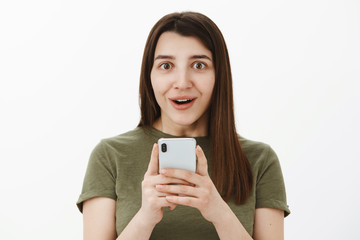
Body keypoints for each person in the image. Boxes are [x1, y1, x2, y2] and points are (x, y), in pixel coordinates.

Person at [76, 11, 290, 240]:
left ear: (219, 75)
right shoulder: (110, 156)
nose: (181, 83)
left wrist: (218, 212)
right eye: (166, 66)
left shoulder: (259, 160)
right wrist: (145, 218)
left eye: (199, 65)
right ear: (150, 75)